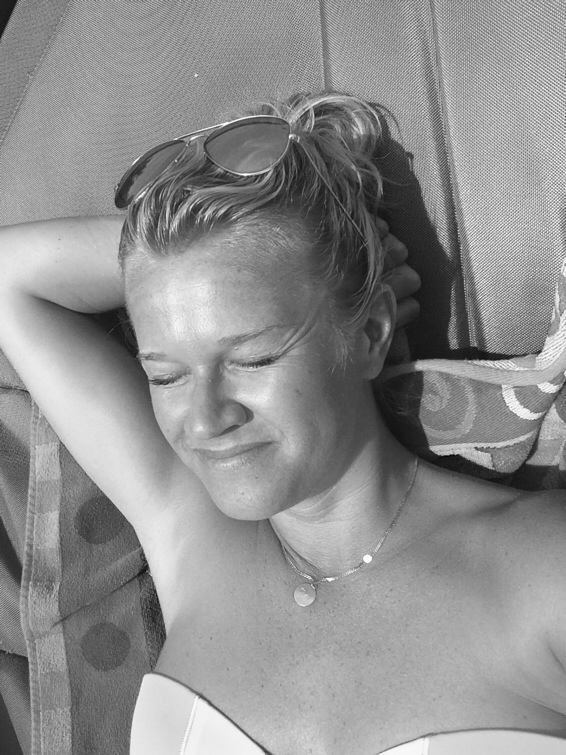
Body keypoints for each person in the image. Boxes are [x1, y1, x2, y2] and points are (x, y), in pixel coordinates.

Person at [0, 91, 565, 755]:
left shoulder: (540, 572)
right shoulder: (192, 537)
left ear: (371, 332)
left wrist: (309, 258)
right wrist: (189, 264)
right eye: (167, 375)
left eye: (253, 359)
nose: (205, 419)